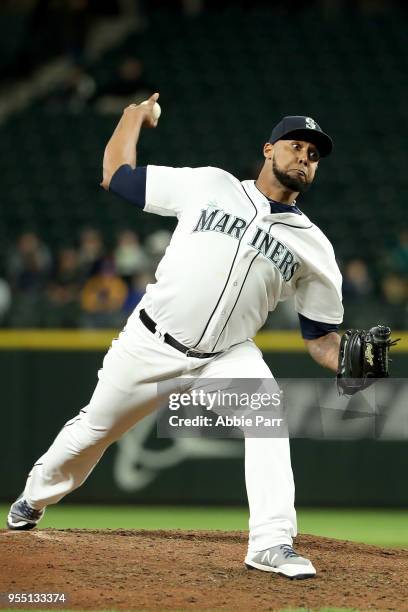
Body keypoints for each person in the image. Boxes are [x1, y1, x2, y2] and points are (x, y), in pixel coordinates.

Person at [7, 94, 343, 581]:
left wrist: (357, 363)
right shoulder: (210, 185)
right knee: (92, 432)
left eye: (313, 156)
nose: (304, 159)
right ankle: (34, 497)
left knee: (267, 414)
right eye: (296, 147)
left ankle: (271, 542)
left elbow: (321, 339)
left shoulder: (314, 246)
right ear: (268, 150)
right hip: (149, 342)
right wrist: (130, 118)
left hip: (227, 355)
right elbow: (116, 177)